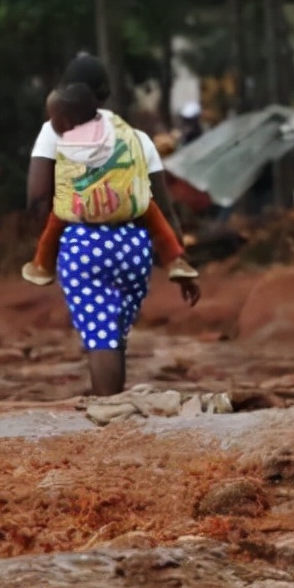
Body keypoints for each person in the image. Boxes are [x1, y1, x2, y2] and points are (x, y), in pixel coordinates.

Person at [28, 54, 199, 398]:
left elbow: (36, 196)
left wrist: (52, 236)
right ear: (104, 95)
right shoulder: (137, 138)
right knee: (113, 334)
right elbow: (163, 209)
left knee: (100, 337)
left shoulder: (54, 132)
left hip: (83, 244)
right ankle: (116, 407)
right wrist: (178, 262)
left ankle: (109, 412)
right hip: (133, 247)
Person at [22, 82, 198, 288]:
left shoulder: (64, 142)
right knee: (152, 211)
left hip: (83, 206)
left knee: (56, 220)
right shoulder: (115, 129)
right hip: (121, 200)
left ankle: (43, 265)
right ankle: (174, 261)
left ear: (65, 121)